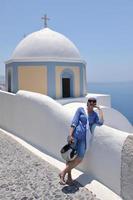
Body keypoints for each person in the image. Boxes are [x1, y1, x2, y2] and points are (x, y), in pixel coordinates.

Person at [59, 97, 104, 185]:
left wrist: (100, 109)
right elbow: (74, 122)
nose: (92, 103)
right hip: (75, 136)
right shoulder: (81, 110)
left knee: (79, 158)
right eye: (90, 101)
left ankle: (63, 173)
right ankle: (69, 177)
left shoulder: (94, 115)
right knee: (70, 156)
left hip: (84, 139)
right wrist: (70, 135)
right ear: (87, 103)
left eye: (94, 102)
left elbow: (101, 122)